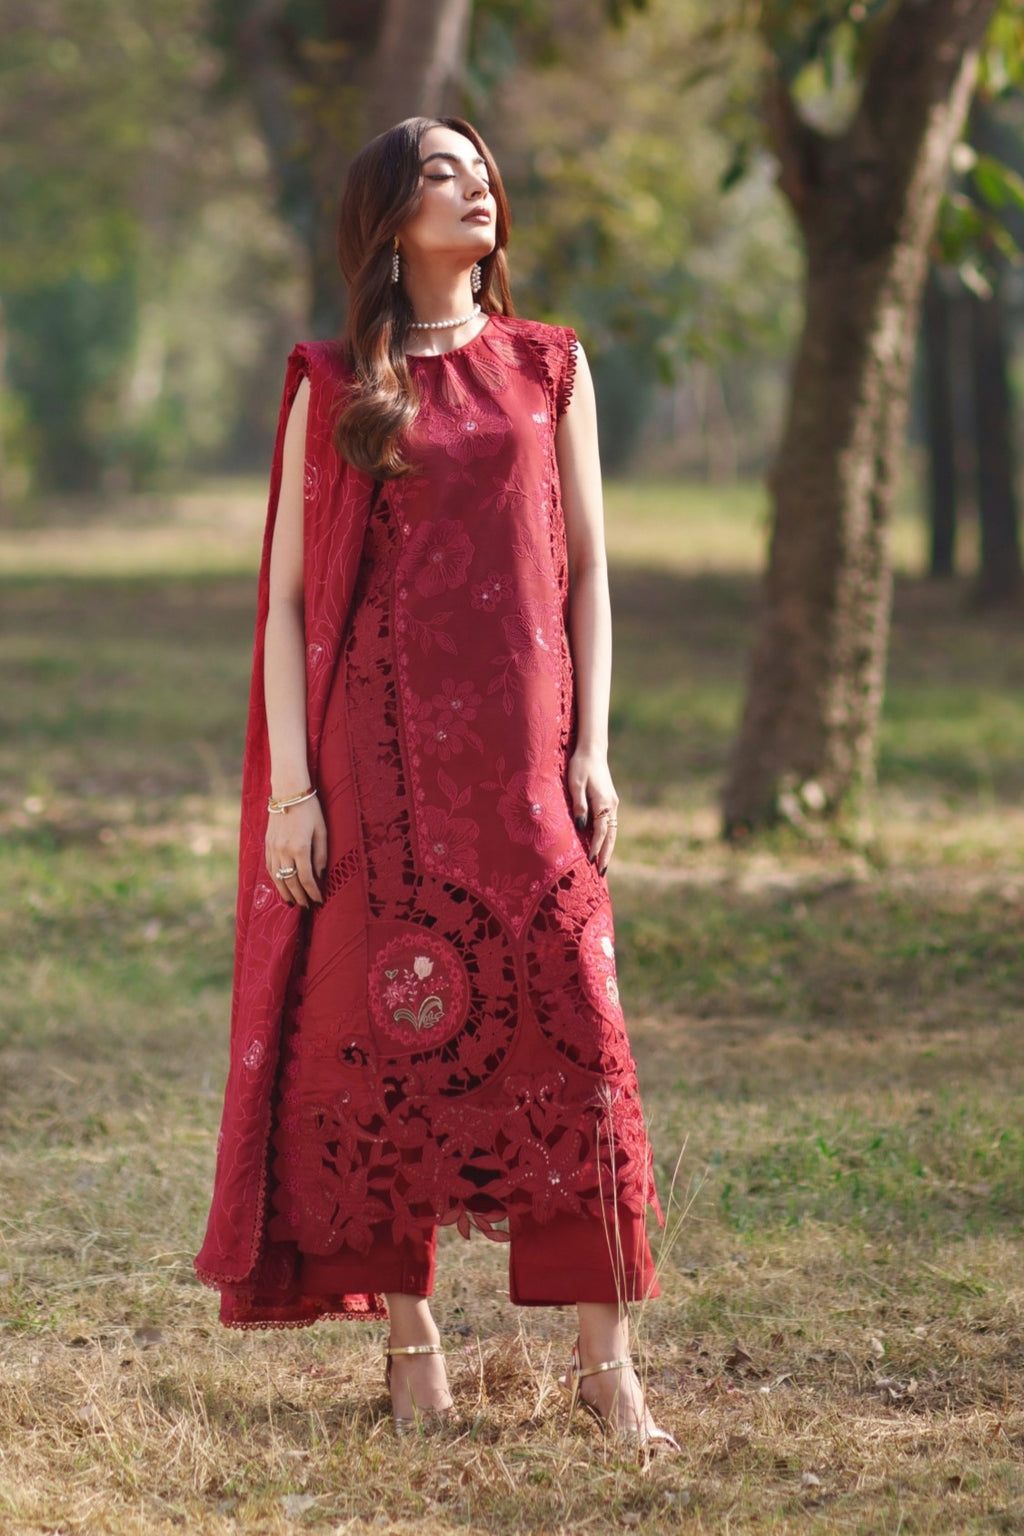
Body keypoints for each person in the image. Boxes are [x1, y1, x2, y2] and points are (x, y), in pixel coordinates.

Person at [195, 115, 676, 1455]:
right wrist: (296, 792)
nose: (477, 189)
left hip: (525, 762)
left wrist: (591, 745)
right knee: (386, 1044)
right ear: (390, 217)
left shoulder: (549, 364)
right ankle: (415, 1352)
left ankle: (607, 1371)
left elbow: (588, 568)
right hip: (383, 770)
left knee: (581, 1036)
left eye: (481, 171)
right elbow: (292, 601)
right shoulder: (334, 380)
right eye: (443, 174)